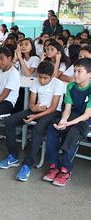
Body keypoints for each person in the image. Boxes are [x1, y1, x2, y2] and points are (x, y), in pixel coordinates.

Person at [0, 61, 65, 181]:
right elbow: (31, 103)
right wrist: (35, 109)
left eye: (45, 78)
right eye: (40, 77)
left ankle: (27, 165)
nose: (42, 80)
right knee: (9, 121)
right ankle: (12, 156)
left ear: (52, 76)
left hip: (52, 112)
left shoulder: (58, 84)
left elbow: (53, 107)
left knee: (38, 129)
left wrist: (35, 115)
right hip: (37, 109)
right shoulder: (35, 81)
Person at [43, 58, 91, 187]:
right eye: (74, 71)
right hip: (74, 115)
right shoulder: (70, 86)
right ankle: (54, 165)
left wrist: (68, 124)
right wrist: (63, 120)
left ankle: (65, 169)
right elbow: (67, 109)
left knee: (73, 132)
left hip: (87, 119)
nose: (75, 74)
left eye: (79, 71)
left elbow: (87, 114)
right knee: (53, 127)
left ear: (89, 74)